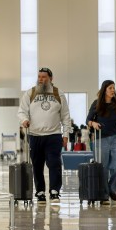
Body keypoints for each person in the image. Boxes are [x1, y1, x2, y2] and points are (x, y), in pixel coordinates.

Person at [17, 67, 72, 204]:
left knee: (54, 163)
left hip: (54, 135)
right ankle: (40, 191)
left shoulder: (59, 94)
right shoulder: (31, 93)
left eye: (44, 77)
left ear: (50, 79)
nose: (41, 79)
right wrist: (24, 120)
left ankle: (54, 191)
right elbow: (21, 111)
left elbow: (65, 116)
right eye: (39, 77)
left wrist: (66, 135)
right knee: (37, 165)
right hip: (35, 135)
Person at [86, 80, 116, 204]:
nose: (113, 90)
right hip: (101, 138)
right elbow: (88, 120)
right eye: (110, 88)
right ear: (104, 90)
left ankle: (111, 189)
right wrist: (94, 123)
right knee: (103, 168)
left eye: (114, 88)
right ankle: (104, 196)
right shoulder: (96, 104)